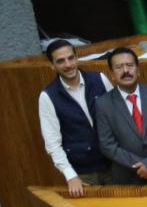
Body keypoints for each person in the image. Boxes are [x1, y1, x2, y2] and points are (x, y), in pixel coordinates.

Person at [39, 39, 114, 196]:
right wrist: (70, 175)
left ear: (76, 58)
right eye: (60, 61)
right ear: (52, 65)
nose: (68, 64)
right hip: (84, 172)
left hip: (115, 163)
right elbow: (52, 144)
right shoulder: (48, 96)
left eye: (71, 58)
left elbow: (119, 117)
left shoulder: (100, 79)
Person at [95, 47, 147, 185]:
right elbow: (107, 145)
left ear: (138, 70)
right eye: (119, 67)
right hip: (128, 178)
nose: (126, 71)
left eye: (130, 65)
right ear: (112, 74)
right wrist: (143, 167)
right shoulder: (103, 104)